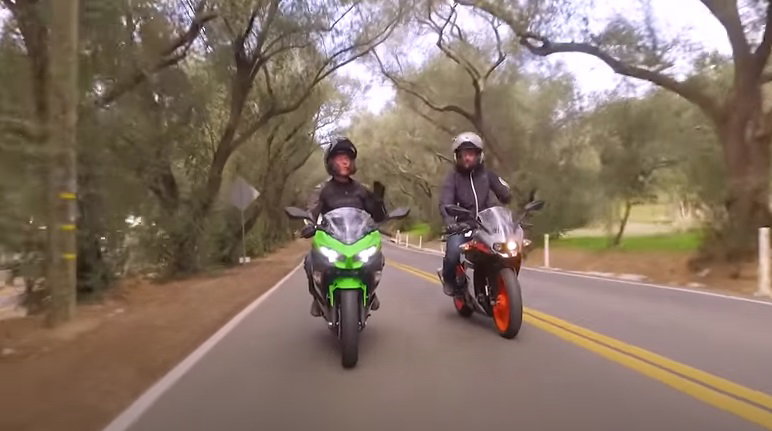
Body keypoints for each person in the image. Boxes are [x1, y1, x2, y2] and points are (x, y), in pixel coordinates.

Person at [302, 137, 387, 316]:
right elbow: (312, 210)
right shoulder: (322, 189)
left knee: (378, 258)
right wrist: (309, 224)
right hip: (332, 238)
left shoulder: (361, 189)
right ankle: (317, 298)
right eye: (340, 157)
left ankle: (371, 292)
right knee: (310, 261)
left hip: (357, 238)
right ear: (330, 161)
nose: (345, 161)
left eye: (348, 157)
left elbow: (377, 216)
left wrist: (378, 201)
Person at [439, 131, 512, 296]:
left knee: (507, 249)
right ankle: (449, 279)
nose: (467, 158)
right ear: (457, 156)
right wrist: (450, 221)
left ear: (479, 155)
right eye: (464, 154)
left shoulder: (488, 175)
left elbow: (504, 192)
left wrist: (506, 194)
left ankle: (501, 280)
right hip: (463, 226)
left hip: (488, 225)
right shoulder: (453, 178)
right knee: (452, 253)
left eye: (471, 154)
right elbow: (445, 202)